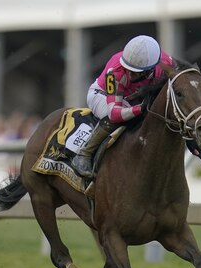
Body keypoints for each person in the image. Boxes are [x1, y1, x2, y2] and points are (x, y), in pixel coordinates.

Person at [71, 35, 175, 178]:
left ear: (150, 69)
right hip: (102, 95)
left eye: (135, 72)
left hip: (132, 99)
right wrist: (140, 108)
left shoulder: (167, 64)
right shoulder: (115, 71)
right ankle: (84, 155)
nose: (130, 74)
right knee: (118, 117)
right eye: (128, 69)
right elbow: (114, 113)